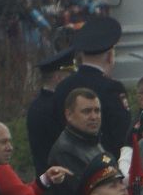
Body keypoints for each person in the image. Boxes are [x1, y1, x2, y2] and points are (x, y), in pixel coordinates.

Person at [54, 14, 131, 156]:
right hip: (105, 168)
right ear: (109, 56)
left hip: (68, 163)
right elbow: (122, 135)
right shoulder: (111, 88)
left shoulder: (62, 87)